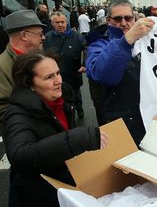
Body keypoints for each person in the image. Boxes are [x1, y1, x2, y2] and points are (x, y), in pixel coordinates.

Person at [3, 51, 108, 206]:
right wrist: (78, 138)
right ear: (29, 84)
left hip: (63, 189)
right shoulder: (17, 114)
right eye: (48, 77)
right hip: (35, 196)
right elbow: (21, 156)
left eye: (58, 73)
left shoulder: (63, 100)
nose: (58, 80)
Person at [86, 0, 154, 146]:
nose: (123, 23)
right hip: (119, 122)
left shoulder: (147, 40)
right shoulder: (98, 44)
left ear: (134, 18)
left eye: (128, 18)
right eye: (117, 19)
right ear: (108, 20)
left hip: (150, 118)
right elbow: (101, 73)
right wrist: (126, 41)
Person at [0, 9, 46, 130]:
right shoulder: (2, 67)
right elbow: (4, 110)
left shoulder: (36, 57)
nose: (44, 37)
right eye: (40, 34)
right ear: (24, 36)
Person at [43, 11, 87, 118]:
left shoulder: (77, 36)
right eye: (57, 22)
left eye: (62, 22)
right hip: (56, 76)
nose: (60, 25)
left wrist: (84, 64)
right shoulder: (47, 38)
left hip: (73, 74)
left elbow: (86, 49)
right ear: (52, 24)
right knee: (60, 99)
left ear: (66, 22)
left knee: (76, 95)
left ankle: (80, 109)